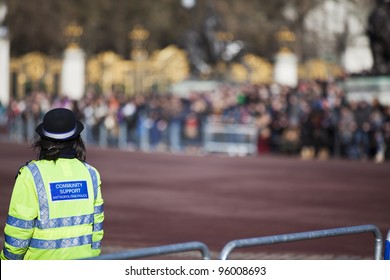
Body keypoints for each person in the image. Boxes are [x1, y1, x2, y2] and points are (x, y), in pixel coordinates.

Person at [0, 107, 104, 260]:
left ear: (43, 139)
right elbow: (97, 227)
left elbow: (19, 229)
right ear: (77, 137)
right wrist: (91, 258)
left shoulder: (31, 174)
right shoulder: (91, 174)